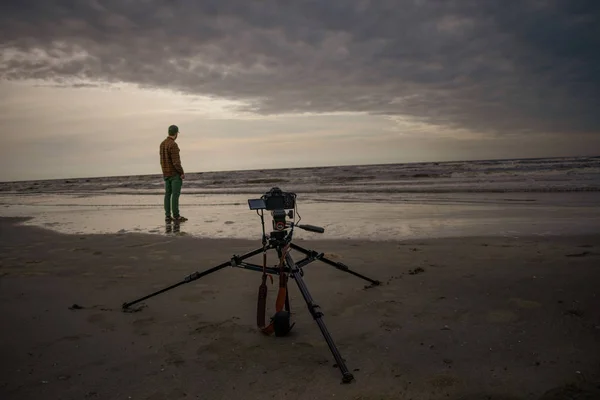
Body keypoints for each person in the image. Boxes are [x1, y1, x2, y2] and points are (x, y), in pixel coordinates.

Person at [160, 124, 188, 222]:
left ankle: (168, 216)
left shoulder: (162, 144)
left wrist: (164, 171)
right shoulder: (173, 144)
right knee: (175, 195)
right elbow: (176, 162)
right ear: (176, 134)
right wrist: (181, 172)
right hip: (174, 174)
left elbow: (162, 161)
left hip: (166, 174)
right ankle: (176, 216)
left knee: (167, 195)